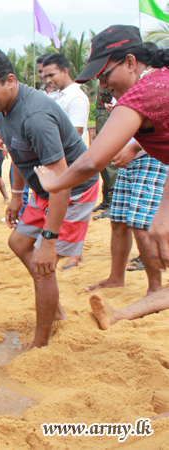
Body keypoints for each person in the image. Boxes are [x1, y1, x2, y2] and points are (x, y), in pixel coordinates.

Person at [32, 26, 169, 330]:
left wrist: (55, 183)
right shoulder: (159, 81)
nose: (103, 86)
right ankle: (121, 313)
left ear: (131, 62)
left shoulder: (143, 94)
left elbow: (92, 160)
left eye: (105, 75)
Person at [0, 48, 99, 349]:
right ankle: (55, 307)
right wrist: (15, 196)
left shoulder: (35, 117)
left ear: (10, 80)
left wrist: (49, 242)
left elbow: (63, 184)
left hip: (72, 191)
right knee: (19, 243)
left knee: (43, 264)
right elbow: (18, 155)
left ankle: (41, 342)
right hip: (42, 191)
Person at [83, 138, 166, 297]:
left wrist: (135, 147)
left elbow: (163, 127)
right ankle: (116, 278)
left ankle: (155, 287)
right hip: (127, 160)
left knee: (141, 224)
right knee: (119, 222)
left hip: (152, 157)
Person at [40, 52, 92, 270]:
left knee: (74, 211)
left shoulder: (76, 97)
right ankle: (72, 251)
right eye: (43, 76)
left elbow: (75, 132)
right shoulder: (57, 96)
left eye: (51, 74)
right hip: (59, 160)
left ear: (65, 71)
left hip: (70, 161)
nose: (47, 80)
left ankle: (73, 254)